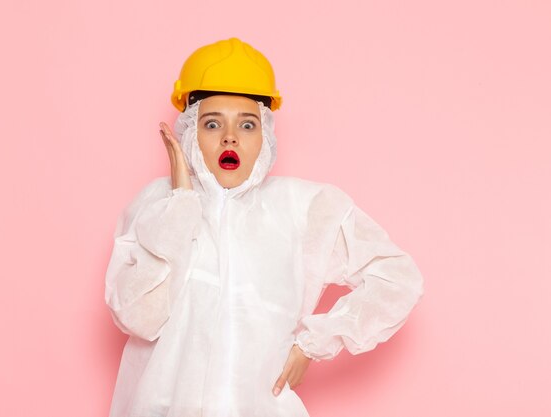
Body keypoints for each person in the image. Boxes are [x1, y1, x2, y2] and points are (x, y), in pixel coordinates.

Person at [104, 37, 424, 417]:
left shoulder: (304, 209)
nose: (230, 137)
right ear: (188, 131)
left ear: (265, 134)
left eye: (247, 124)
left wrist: (314, 343)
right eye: (211, 123)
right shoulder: (157, 205)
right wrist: (181, 203)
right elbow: (138, 318)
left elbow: (397, 277)